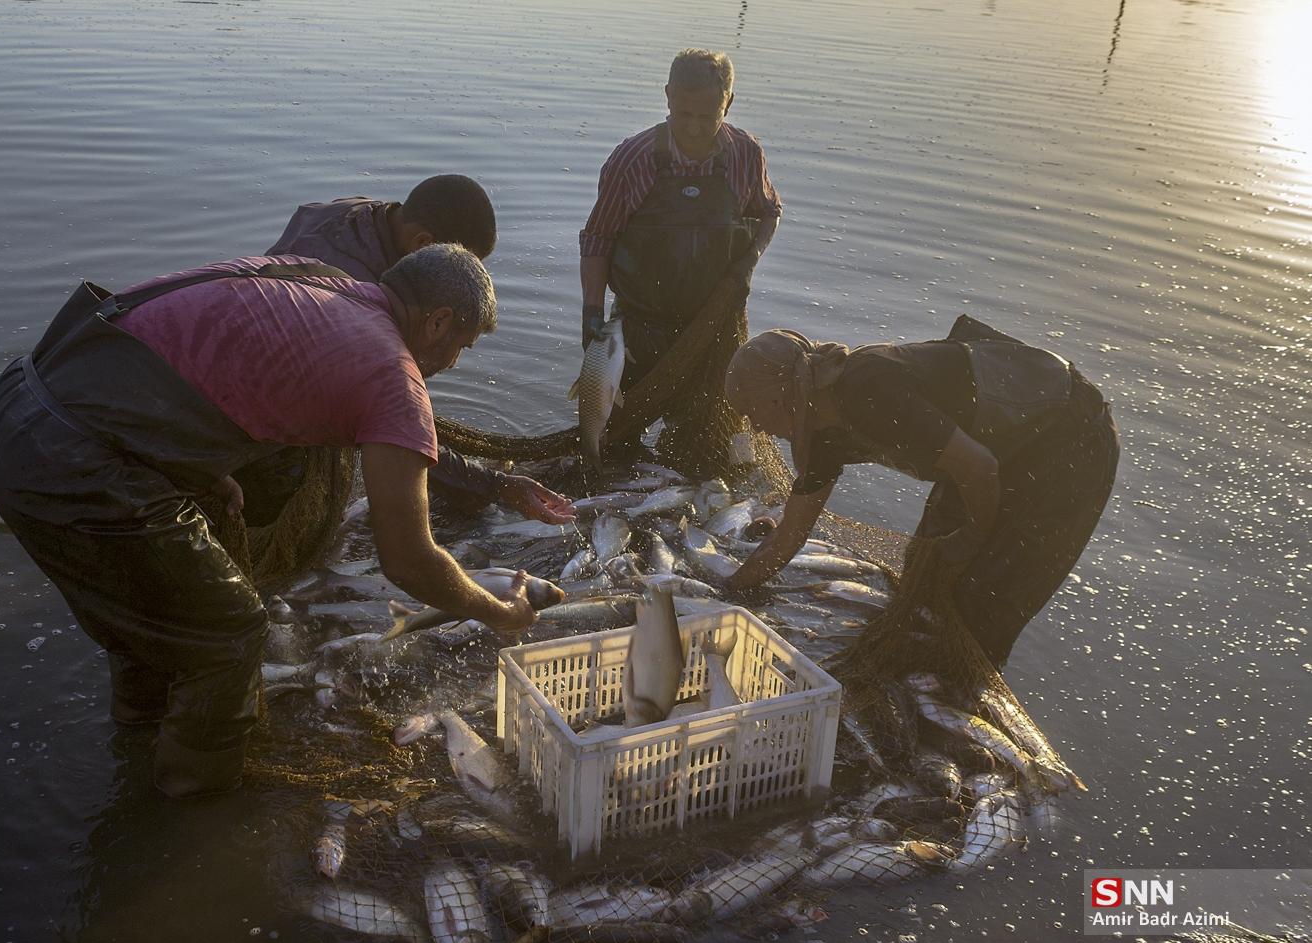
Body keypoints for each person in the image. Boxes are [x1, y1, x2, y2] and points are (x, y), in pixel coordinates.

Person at [0, 245, 544, 797]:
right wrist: (498, 613)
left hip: (21, 403)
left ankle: (138, 733)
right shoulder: (392, 375)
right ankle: (193, 809)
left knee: (156, 612)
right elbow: (409, 561)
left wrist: (194, 461)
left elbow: (196, 356)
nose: (453, 362)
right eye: (462, 345)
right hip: (74, 458)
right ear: (437, 321)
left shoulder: (309, 277)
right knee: (229, 631)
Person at [721, 316, 1119, 668]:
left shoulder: (869, 391)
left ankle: (968, 684)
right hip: (989, 447)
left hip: (1067, 437)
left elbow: (980, 467)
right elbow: (790, 535)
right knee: (926, 571)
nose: (755, 427)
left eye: (752, 411)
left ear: (779, 395)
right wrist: (730, 592)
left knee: (985, 601)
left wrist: (973, 536)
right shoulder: (822, 435)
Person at [262, 173, 573, 524]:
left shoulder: (367, 217)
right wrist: (492, 485)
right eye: (455, 261)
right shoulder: (350, 300)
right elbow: (392, 422)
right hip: (272, 398)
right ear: (423, 243)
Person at [579, 48, 782, 393]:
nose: (693, 128)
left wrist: (749, 261)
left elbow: (769, 212)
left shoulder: (746, 154)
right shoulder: (632, 159)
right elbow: (598, 239)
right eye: (683, 113)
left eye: (707, 117)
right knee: (617, 422)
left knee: (708, 424)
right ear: (668, 96)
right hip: (639, 325)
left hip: (715, 323)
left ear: (728, 104)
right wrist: (592, 313)